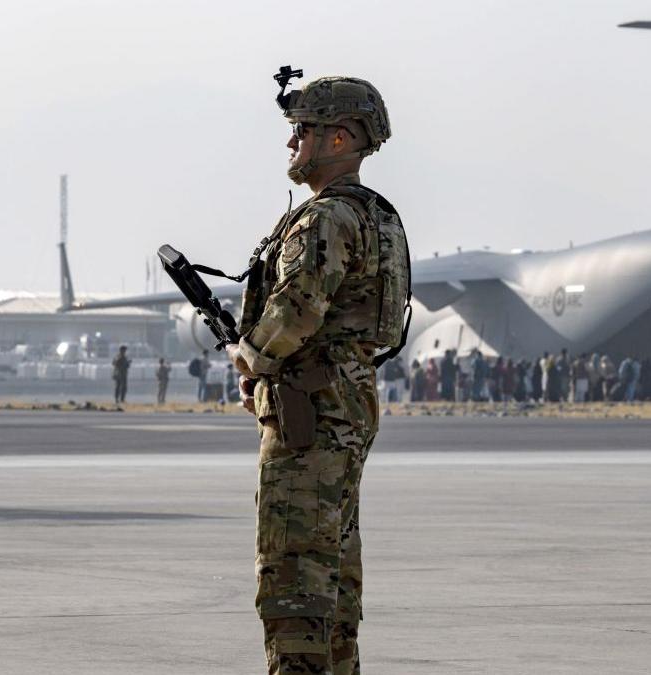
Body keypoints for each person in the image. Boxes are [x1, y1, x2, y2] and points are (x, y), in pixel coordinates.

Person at [225, 71, 407, 675]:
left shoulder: (326, 219)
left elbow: (296, 311)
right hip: (346, 405)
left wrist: (250, 359)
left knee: (294, 573)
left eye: (302, 130)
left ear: (339, 139)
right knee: (333, 571)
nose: (291, 143)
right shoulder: (377, 216)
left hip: (308, 416)